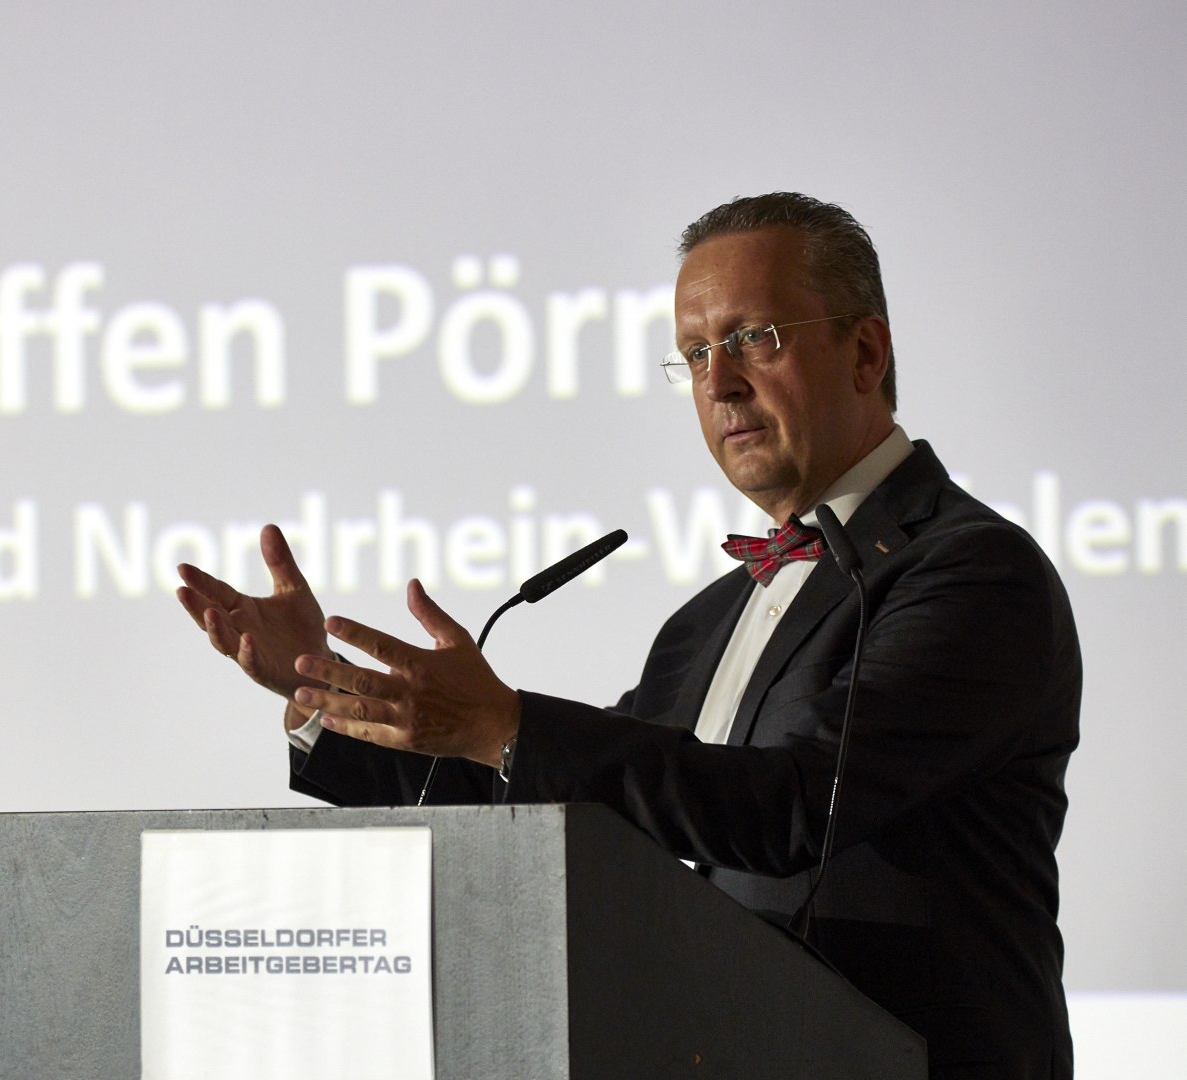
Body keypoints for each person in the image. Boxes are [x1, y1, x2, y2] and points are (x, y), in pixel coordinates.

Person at [176, 193, 1079, 1079]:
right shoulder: (708, 622)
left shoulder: (971, 573)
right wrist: (325, 687)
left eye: (755, 338)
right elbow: (573, 806)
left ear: (865, 352)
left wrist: (508, 723)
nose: (719, 383)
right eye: (696, 353)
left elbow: (797, 805)